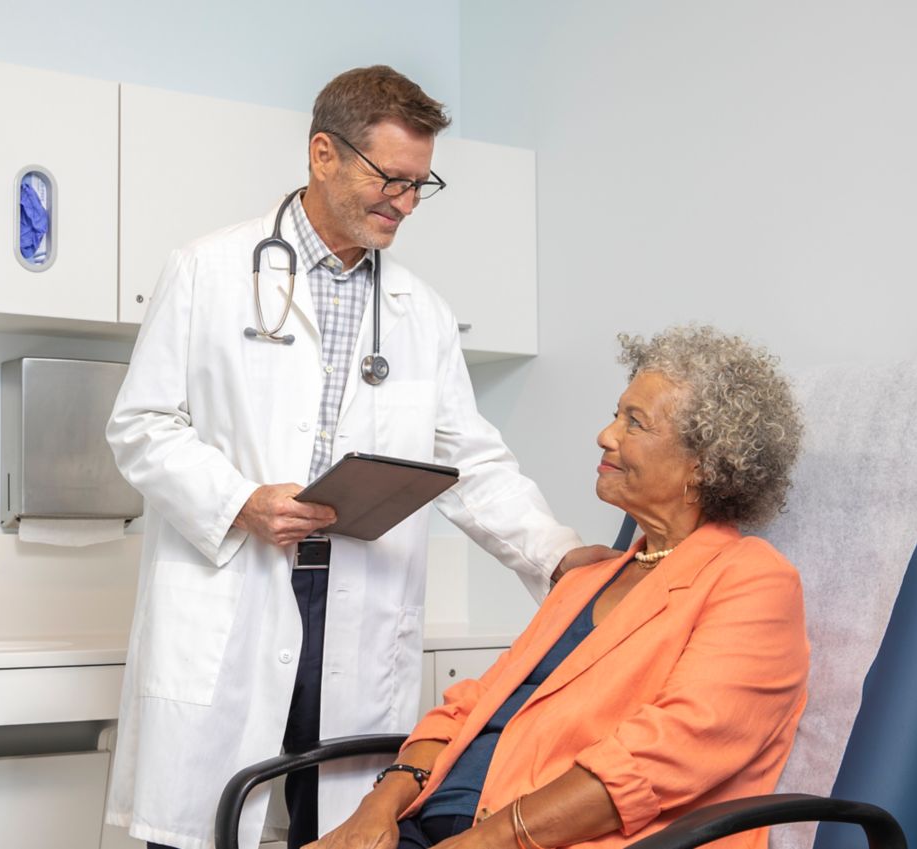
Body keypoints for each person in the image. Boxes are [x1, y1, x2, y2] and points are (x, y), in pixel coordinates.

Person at [105, 66, 611, 849]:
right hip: (237, 580)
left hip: (355, 603)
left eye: (419, 185)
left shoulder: (422, 313)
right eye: (389, 179)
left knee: (341, 829)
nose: (404, 203)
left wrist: (557, 554)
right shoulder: (207, 271)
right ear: (322, 154)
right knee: (199, 831)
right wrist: (242, 499)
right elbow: (141, 425)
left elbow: (469, 462)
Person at [312, 324, 809, 849]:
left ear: (702, 466)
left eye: (634, 423)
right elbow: (469, 708)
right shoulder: (587, 579)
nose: (606, 435)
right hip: (431, 824)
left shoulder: (752, 580)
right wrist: (376, 809)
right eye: (616, 414)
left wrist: (489, 839)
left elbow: (668, 754)